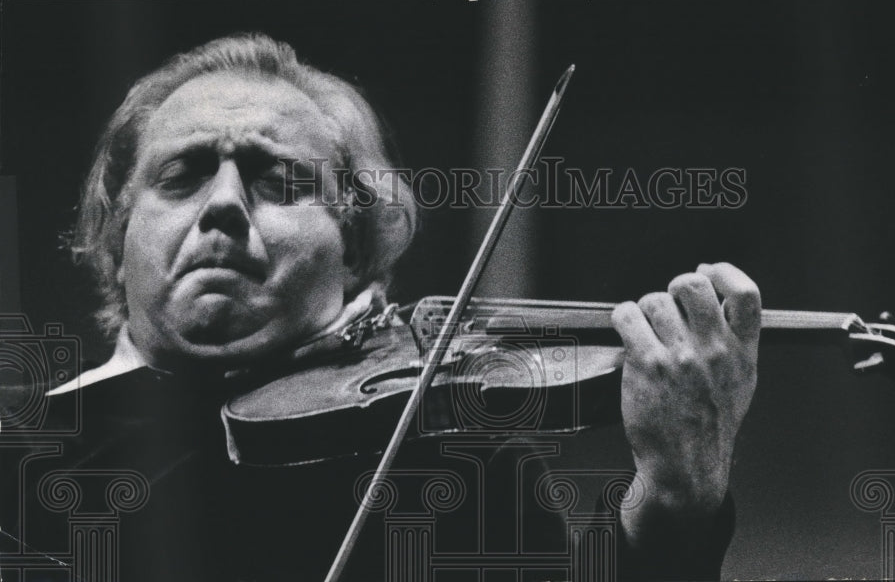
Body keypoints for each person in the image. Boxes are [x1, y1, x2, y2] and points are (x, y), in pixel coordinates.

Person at [4, 33, 761, 581]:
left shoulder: (454, 457)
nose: (225, 205)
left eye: (279, 181)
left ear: (356, 246)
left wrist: (674, 501)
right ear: (115, 235)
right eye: (182, 175)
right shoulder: (18, 460)